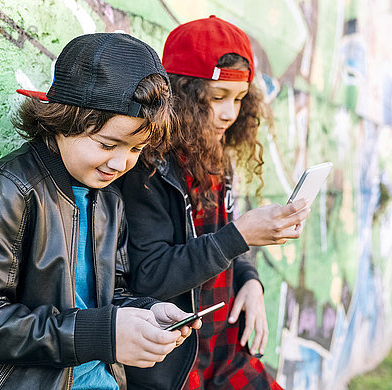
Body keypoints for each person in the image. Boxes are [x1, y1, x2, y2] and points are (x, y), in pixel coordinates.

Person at [0, 33, 200, 390]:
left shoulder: (109, 201)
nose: (120, 163)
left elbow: (108, 294)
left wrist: (146, 310)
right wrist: (101, 333)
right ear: (63, 121)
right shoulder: (8, 192)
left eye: (136, 149)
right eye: (108, 144)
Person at [118, 16, 310, 390]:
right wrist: (240, 236)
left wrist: (251, 280)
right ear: (182, 95)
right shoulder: (147, 169)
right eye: (216, 98)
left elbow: (228, 240)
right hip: (177, 365)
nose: (229, 113)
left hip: (225, 352)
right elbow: (150, 277)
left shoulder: (213, 156)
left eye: (239, 99)